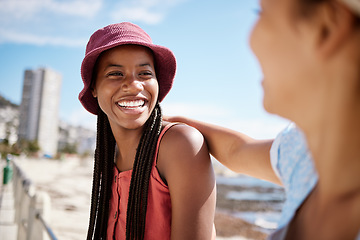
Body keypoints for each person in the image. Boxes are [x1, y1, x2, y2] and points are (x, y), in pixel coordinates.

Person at [166, 0, 360, 239]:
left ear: (327, 27)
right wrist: (171, 120)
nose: (250, 39)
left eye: (262, 12)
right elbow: (237, 151)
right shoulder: (307, 154)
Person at [78, 22, 216, 240]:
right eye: (115, 73)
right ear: (93, 87)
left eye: (144, 73)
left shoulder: (180, 144)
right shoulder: (107, 153)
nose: (133, 85)